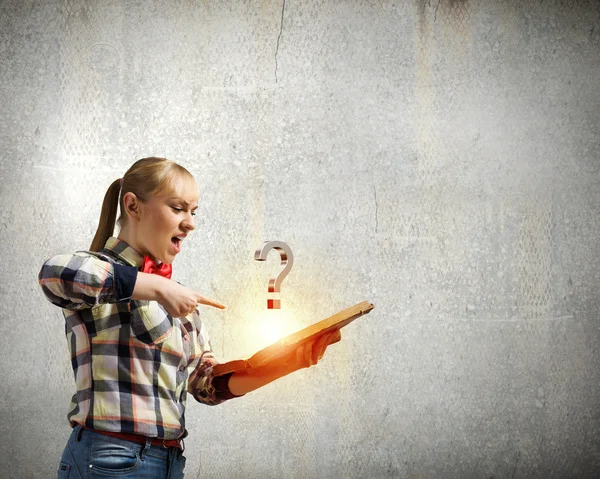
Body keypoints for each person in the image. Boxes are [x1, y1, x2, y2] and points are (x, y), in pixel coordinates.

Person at [38, 157, 340, 478]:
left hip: (169, 463)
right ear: (132, 206)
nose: (190, 223)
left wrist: (285, 363)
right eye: (178, 208)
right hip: (109, 458)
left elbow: (205, 384)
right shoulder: (96, 269)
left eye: (193, 212)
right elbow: (55, 274)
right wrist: (155, 286)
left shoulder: (180, 299)